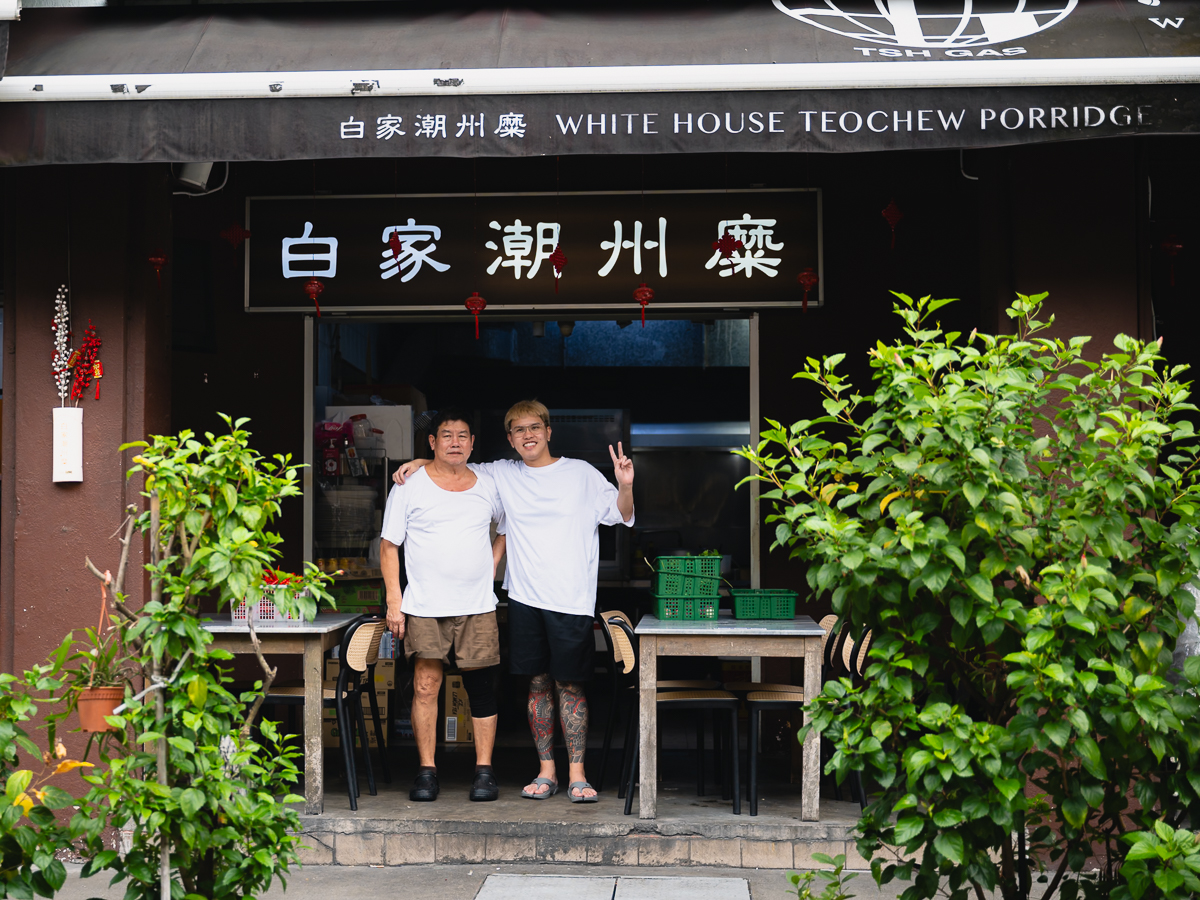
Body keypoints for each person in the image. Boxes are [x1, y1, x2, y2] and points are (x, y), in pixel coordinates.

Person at [395, 399, 634, 803]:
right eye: (519, 430)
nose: (528, 435)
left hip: (571, 598)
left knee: (570, 686)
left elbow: (622, 514)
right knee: (537, 685)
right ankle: (546, 772)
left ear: (548, 431)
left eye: (534, 427)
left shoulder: (581, 474)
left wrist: (625, 484)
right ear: (509, 439)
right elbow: (453, 460)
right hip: (523, 596)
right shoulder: (501, 474)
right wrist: (420, 460)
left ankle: (578, 773)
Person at [380, 409, 507, 803]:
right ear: (432, 442)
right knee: (425, 686)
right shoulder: (409, 485)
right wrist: (394, 601)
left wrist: (491, 567)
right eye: (446, 435)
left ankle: (484, 772)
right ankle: (426, 770)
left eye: (463, 436)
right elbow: (389, 546)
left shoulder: (489, 484)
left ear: (472, 444)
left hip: (477, 605)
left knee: (480, 687)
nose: (455, 442)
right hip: (424, 606)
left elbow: (504, 529)